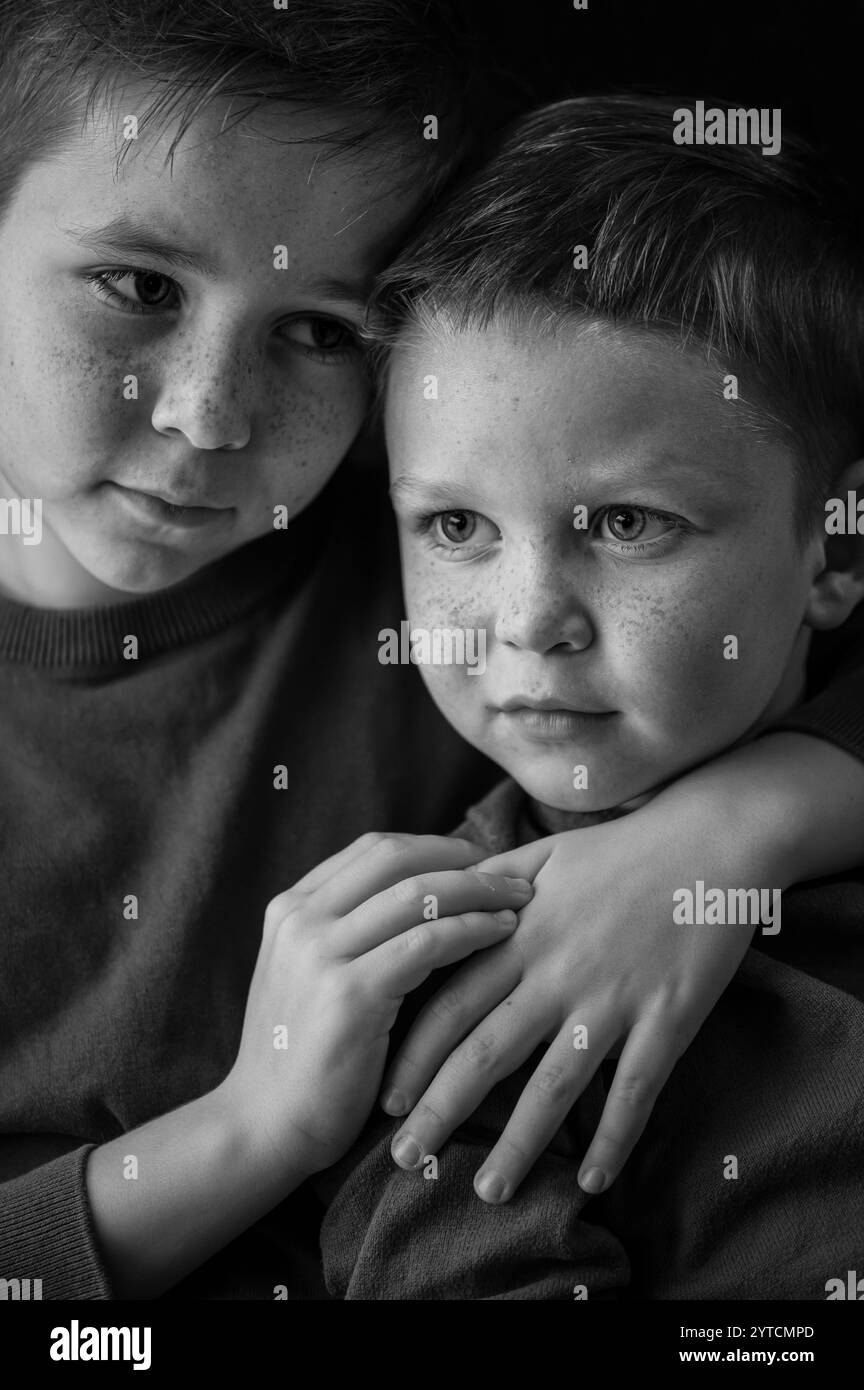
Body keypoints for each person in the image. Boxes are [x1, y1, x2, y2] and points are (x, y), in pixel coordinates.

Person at [0, 3, 862, 1299]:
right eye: (139, 286)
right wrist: (256, 1127)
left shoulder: (437, 542)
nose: (209, 415)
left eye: (320, 329)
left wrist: (732, 835)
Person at [312, 93, 864, 1299]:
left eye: (625, 524)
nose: (527, 621)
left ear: (837, 554)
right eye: (455, 525)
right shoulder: (460, 955)